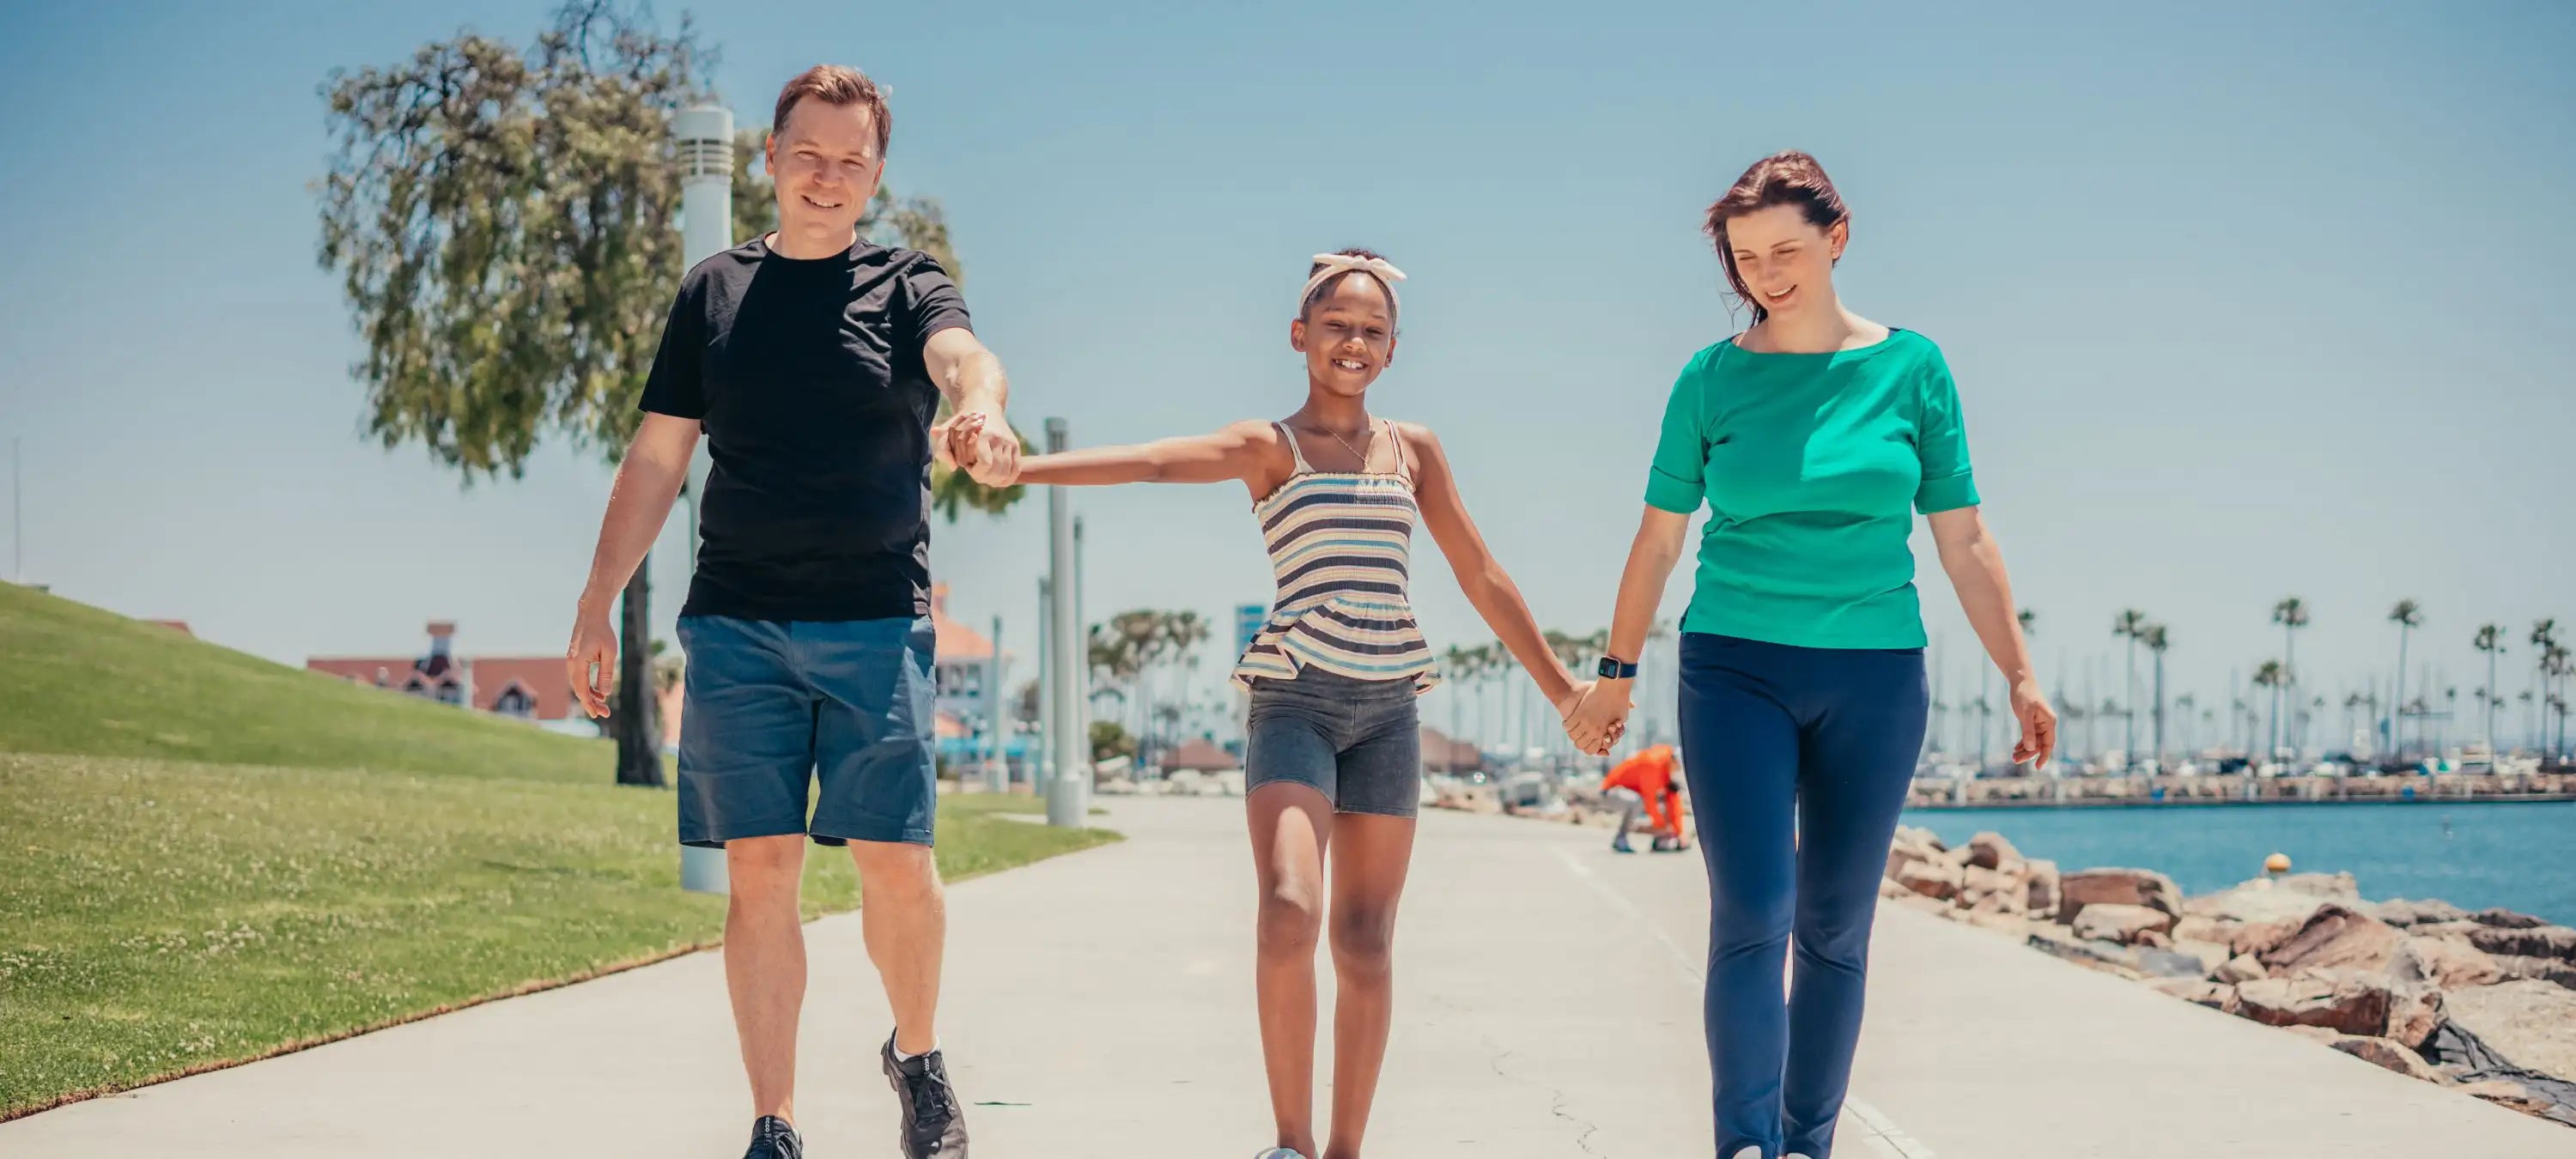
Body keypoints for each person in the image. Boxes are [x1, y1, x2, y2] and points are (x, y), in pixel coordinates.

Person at [974, 249, 1593, 1159]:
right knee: (1289, 909)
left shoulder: (1414, 451)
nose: (1354, 341)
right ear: (1300, 335)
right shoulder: (1271, 447)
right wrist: (1019, 471)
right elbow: (1151, 462)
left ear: (1394, 348)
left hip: (1388, 711)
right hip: (1296, 701)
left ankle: (1345, 1150)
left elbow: (1481, 574)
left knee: (1366, 941)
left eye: (1373, 330)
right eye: (1337, 324)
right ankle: (1290, 1145)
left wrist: (1565, 690)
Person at [563, 64, 1020, 1159]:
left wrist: (982, 409)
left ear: (876, 173)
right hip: (739, 623)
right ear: (769, 158)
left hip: (876, 621)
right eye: (808, 154)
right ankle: (775, 1121)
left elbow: (964, 358)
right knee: (760, 870)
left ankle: (918, 1055)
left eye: (851, 160)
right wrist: (596, 600)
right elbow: (658, 457)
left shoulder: (908, 282)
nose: (827, 176)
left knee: (895, 861)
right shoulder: (712, 293)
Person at [1564, 151, 2056, 1159]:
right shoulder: (1710, 379)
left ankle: (1807, 1143)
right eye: (1746, 258)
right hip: (1734, 668)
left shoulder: (1913, 369)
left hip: (1876, 677)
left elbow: (1964, 539)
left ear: (1838, 237)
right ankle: (1745, 1143)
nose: (1766, 275)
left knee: (1835, 927)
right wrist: (1615, 675)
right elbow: (1657, 540)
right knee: (1754, 910)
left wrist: (2020, 673)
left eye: (1785, 251)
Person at [1598, 743, 1683, 853]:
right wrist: (1662, 827)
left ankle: (1659, 836)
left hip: (1629, 791)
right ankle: (1620, 839)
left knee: (1657, 800)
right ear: (1674, 761)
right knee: (1638, 802)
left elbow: (1672, 800)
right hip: (1610, 791)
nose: (1677, 771)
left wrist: (1678, 831)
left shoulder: (1664, 766)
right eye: (1678, 767)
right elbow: (1650, 800)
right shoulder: (1653, 764)